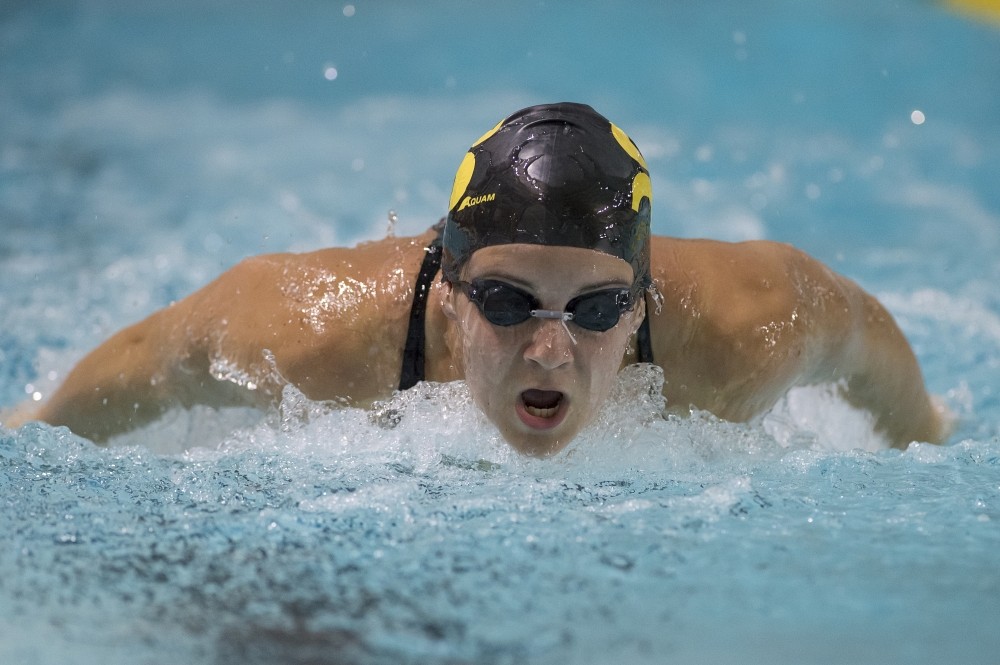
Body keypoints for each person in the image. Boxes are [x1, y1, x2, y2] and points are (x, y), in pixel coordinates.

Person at [6, 102, 951, 455]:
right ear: (451, 290)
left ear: (640, 304)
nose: (550, 349)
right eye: (506, 301)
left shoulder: (750, 328)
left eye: (596, 308)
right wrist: (28, 431)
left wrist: (930, 435)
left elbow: (862, 337)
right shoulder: (309, 332)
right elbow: (159, 357)